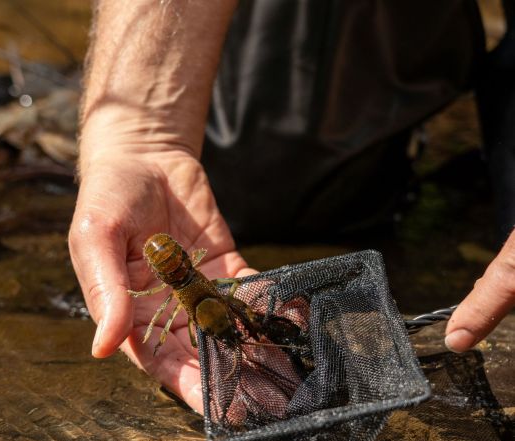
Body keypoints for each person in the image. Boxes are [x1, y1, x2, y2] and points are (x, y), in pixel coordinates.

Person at [68, 0, 515, 414]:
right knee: (274, 185)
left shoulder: (184, 303)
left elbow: (166, 316)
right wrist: (140, 136)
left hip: (190, 279)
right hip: (189, 272)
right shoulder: (207, 290)